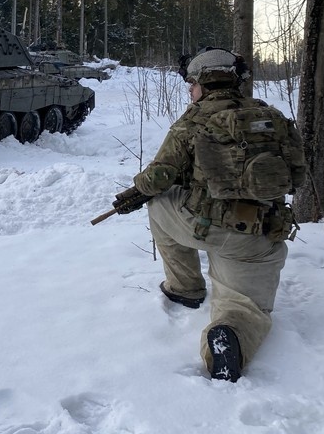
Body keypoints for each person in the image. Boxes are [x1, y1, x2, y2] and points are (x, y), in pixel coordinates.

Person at [111, 47, 306, 382]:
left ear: (204, 82)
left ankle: (185, 288)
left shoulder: (194, 120)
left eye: (192, 85)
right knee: (246, 309)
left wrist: (138, 191)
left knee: (158, 201)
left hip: (210, 228)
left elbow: (157, 178)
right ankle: (230, 334)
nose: (190, 91)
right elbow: (298, 176)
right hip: (262, 236)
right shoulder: (271, 116)